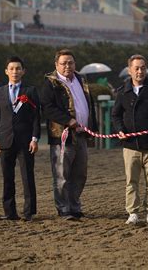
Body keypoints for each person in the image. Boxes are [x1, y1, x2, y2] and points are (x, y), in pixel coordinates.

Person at [41, 49, 97, 220]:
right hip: (62, 137)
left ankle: (74, 206)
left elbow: (89, 104)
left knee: (80, 174)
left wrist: (92, 127)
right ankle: (64, 208)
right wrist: (68, 120)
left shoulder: (81, 80)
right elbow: (47, 108)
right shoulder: (50, 83)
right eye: (63, 63)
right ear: (56, 65)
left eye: (70, 62)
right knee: (62, 174)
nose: (67, 66)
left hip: (81, 135)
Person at [111, 54, 148, 225]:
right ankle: (133, 212)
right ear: (130, 70)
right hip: (130, 145)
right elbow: (116, 115)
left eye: (143, 67)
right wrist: (120, 130)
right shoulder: (122, 92)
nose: (140, 71)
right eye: (136, 68)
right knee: (131, 181)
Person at [0, 56, 40, 221]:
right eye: (11, 68)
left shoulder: (30, 91)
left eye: (18, 68)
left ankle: (29, 212)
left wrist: (34, 138)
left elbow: (36, 117)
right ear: (6, 71)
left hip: (25, 141)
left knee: (27, 177)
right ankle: (9, 212)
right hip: (5, 140)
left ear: (23, 71)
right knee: (7, 178)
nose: (15, 71)